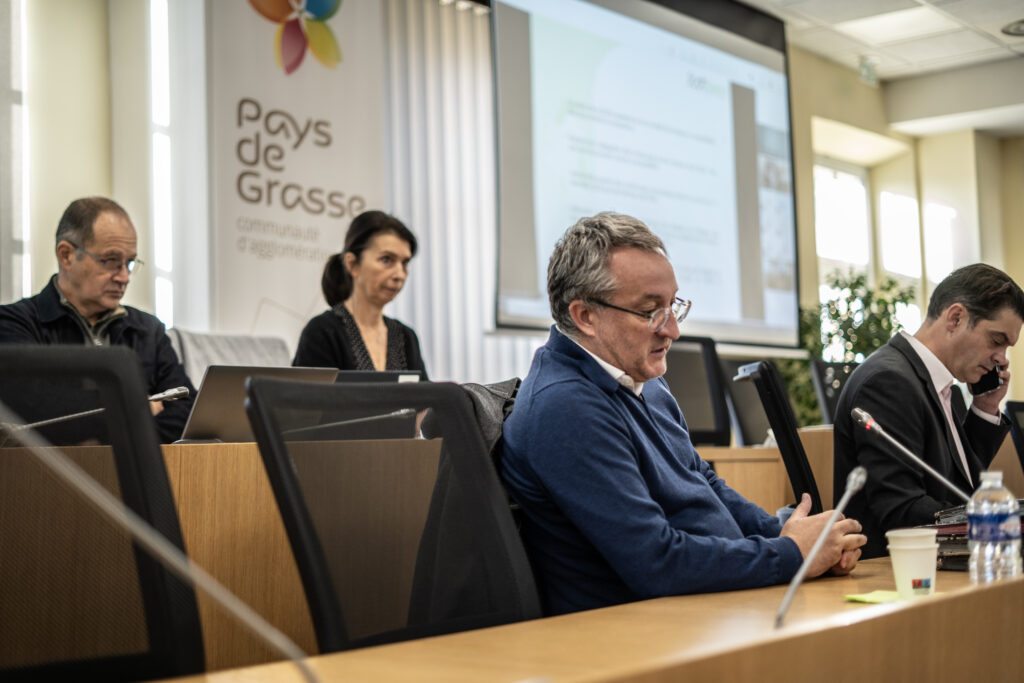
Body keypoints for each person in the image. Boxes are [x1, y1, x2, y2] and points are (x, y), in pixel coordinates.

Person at [500, 212, 865, 616]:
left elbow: (703, 483)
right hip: (633, 629)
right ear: (585, 316)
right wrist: (792, 554)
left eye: (673, 305)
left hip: (702, 607)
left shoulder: (645, 380)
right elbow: (656, 562)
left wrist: (795, 536)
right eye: (650, 311)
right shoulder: (564, 407)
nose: (672, 329)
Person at [834, 263, 1024, 559]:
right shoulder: (889, 382)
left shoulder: (945, 388)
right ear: (956, 318)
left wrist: (985, 408)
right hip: (894, 569)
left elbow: (959, 488)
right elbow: (901, 509)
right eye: (997, 341)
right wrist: (996, 525)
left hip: (939, 560)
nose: (1001, 358)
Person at [0, 196, 196, 443]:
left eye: (129, 263)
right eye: (111, 261)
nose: (124, 277)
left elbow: (187, 410)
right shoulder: (15, 323)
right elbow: (35, 410)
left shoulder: (148, 330)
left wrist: (112, 429)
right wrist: (139, 407)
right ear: (66, 255)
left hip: (139, 467)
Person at [293, 210, 427, 376]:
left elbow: (425, 393)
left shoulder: (406, 337)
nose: (399, 274)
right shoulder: (322, 332)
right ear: (352, 264)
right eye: (386, 259)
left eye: (404, 263)